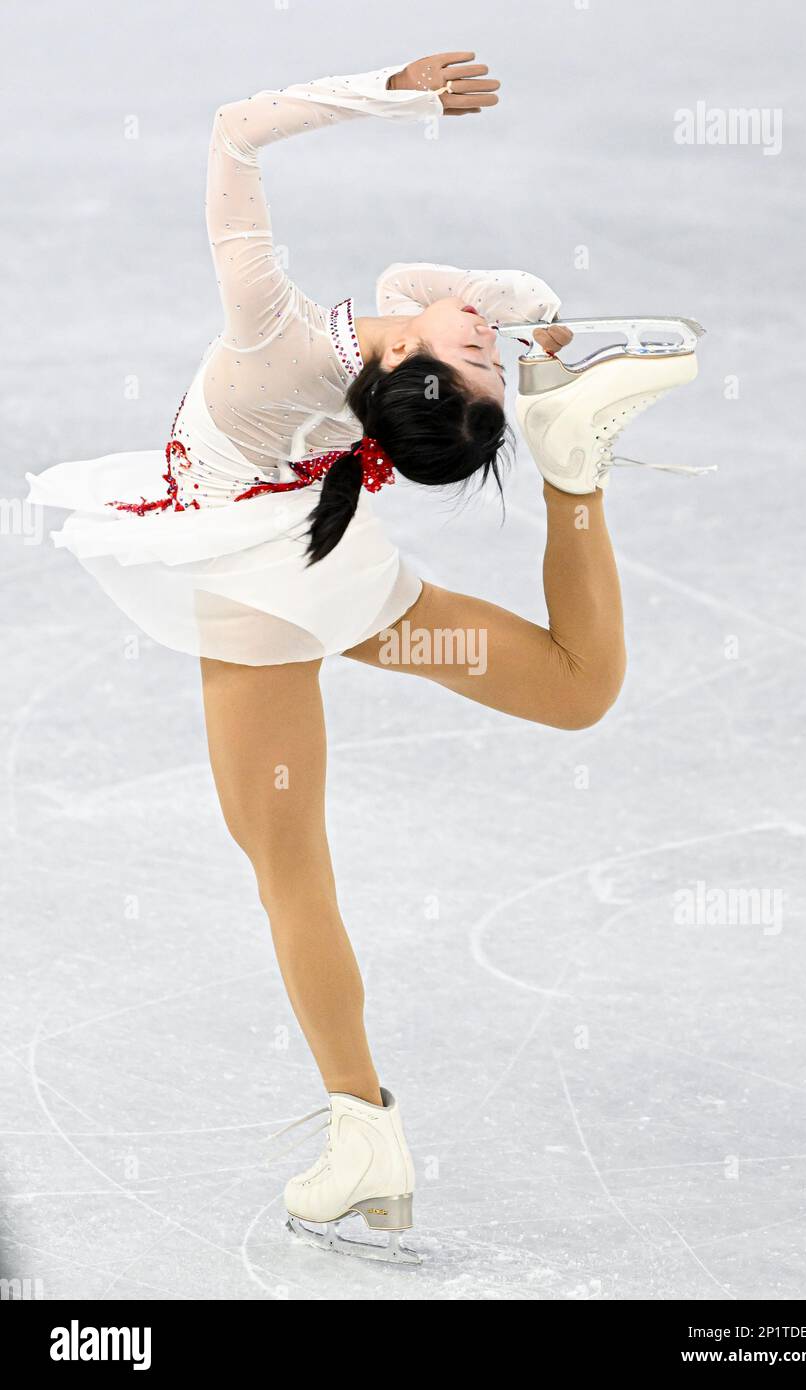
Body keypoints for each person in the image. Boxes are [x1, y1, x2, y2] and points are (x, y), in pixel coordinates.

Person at [26, 51, 703, 1263]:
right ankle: (571, 473)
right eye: (492, 358)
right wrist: (506, 308)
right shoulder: (381, 343)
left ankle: (364, 1137)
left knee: (282, 857)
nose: (486, 336)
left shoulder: (279, 334)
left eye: (485, 362)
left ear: (407, 370)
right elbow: (471, 287)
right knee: (569, 690)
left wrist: (388, 98)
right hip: (323, 572)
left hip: (260, 579)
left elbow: (234, 131)